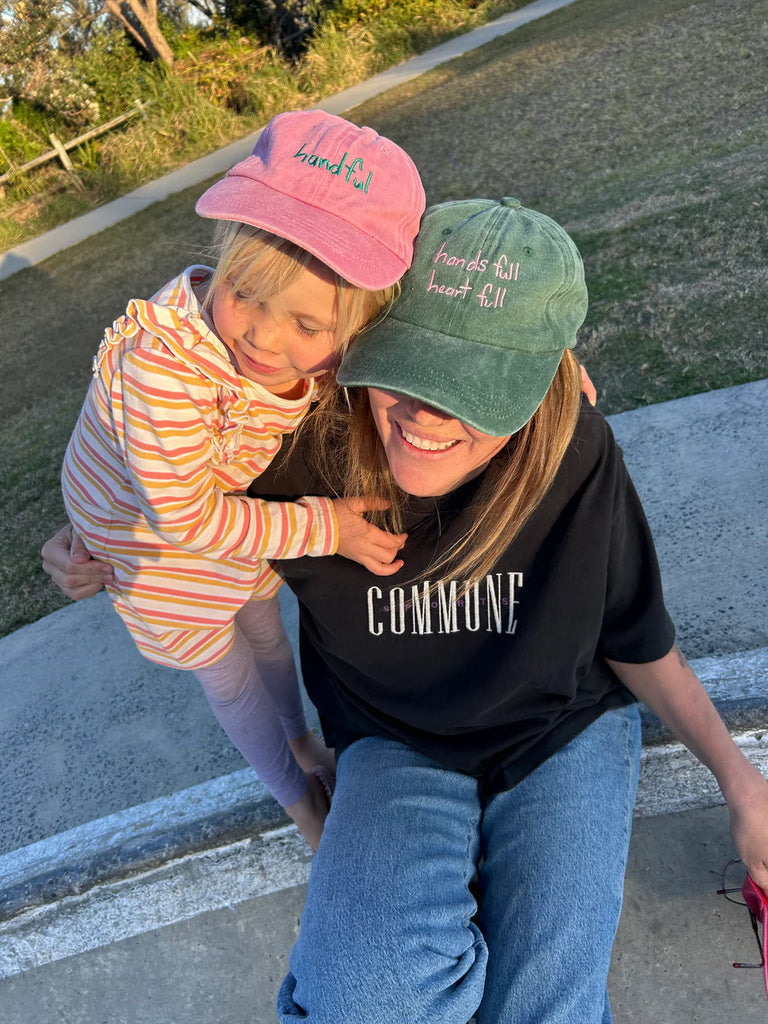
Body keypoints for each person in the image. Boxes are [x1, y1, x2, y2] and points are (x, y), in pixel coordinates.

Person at [44, 198, 768, 1022]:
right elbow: (164, 438)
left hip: (562, 730)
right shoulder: (299, 455)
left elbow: (637, 634)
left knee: (547, 1009)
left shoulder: (569, 449)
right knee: (359, 1001)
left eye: (476, 389)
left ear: (539, 381)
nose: (426, 415)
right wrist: (81, 542)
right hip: (393, 743)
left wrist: (740, 782)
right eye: (412, 367)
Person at [59, 108, 425, 851]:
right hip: (142, 538)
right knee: (226, 673)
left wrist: (543, 364)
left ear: (357, 321)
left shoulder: (327, 335)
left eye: (306, 327)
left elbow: (429, 333)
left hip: (220, 509)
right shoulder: (163, 367)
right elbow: (184, 520)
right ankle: (300, 805)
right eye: (245, 292)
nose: (263, 335)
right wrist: (327, 525)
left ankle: (301, 744)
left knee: (265, 626)